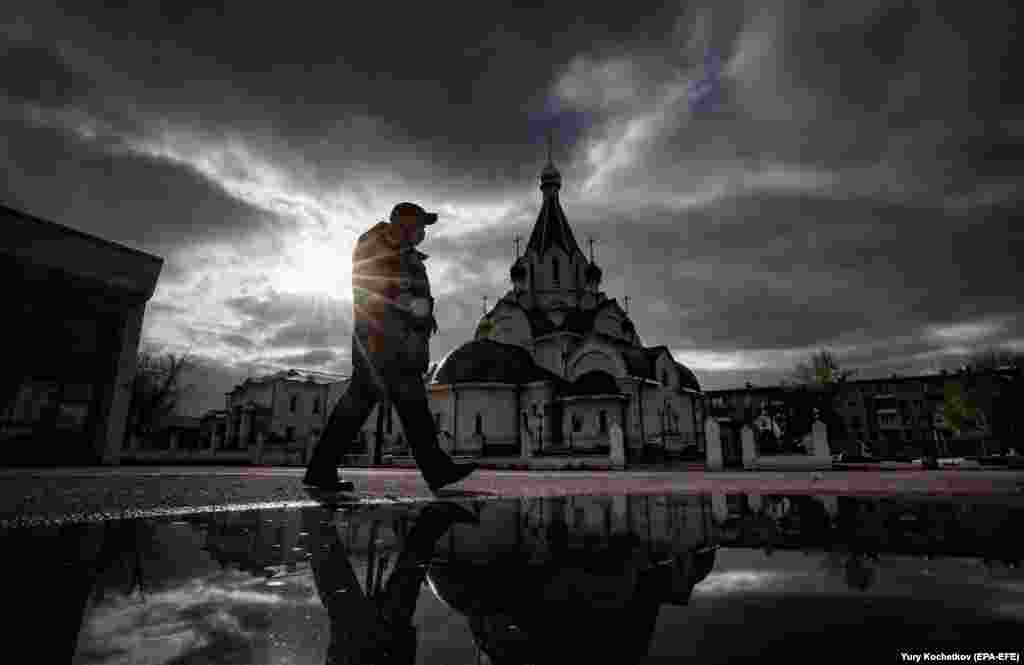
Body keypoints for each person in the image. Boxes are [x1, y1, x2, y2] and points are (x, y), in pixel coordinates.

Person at [304, 202, 477, 493]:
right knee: (411, 406)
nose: (423, 232)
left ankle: (321, 469)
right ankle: (436, 469)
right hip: (385, 343)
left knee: (361, 406)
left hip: (388, 343)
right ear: (406, 225)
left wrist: (422, 315)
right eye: (420, 226)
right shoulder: (381, 246)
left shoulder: (394, 250)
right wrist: (415, 312)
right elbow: (381, 291)